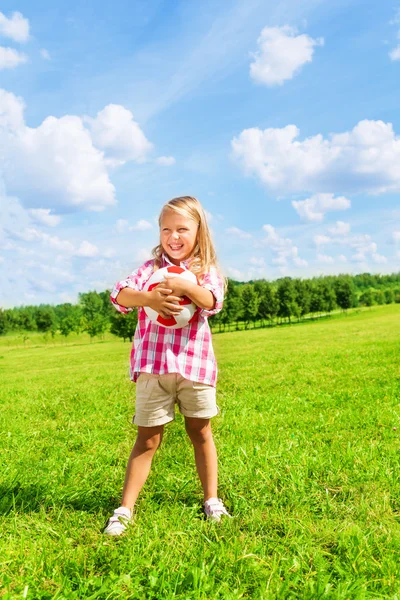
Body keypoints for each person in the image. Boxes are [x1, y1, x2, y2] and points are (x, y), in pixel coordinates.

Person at [104, 196, 231, 535]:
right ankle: (124, 509)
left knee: (201, 432)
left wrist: (187, 285)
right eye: (166, 229)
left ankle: (212, 500)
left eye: (182, 229)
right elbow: (119, 295)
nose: (174, 237)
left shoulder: (206, 272)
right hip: (154, 368)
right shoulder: (149, 270)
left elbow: (212, 301)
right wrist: (149, 297)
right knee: (147, 439)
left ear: (198, 231)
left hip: (195, 367)